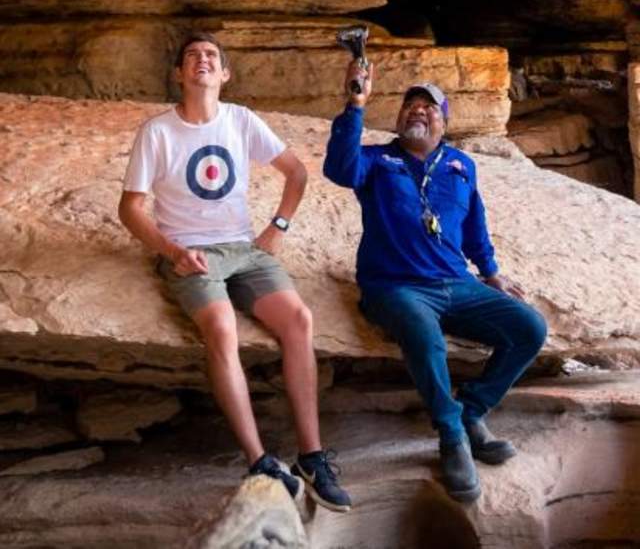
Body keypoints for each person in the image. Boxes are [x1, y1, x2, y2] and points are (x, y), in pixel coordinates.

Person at [118, 31, 351, 512]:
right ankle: (259, 458)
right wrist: (171, 250)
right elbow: (131, 208)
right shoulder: (157, 131)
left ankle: (311, 455)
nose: (201, 61)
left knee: (299, 321)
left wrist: (277, 227)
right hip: (192, 254)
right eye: (191, 57)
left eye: (211, 57)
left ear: (225, 74)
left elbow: (297, 172)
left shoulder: (241, 120)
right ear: (179, 74)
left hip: (245, 250)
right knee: (222, 329)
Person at [323, 59, 547, 503]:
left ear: (445, 122)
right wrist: (356, 103)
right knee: (426, 338)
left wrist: (492, 273)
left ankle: (471, 411)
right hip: (395, 286)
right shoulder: (376, 159)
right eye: (410, 106)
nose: (418, 112)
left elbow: (475, 223)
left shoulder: (461, 165)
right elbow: (340, 170)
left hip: (456, 283)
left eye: (429, 108)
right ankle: (452, 437)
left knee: (529, 328)